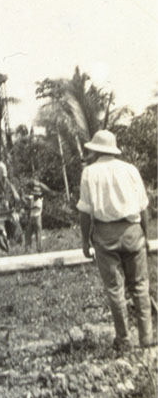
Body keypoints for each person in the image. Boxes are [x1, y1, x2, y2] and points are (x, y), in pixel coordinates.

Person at [77, 129, 154, 350]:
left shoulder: (89, 173)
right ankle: (146, 338)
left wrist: (85, 240)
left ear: (95, 151)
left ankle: (124, 339)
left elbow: (84, 212)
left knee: (114, 289)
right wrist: (145, 237)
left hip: (105, 234)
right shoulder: (130, 170)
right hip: (132, 230)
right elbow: (143, 207)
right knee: (140, 286)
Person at [24, 186, 43, 253]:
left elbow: (32, 208)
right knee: (28, 233)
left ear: (38, 195)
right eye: (35, 194)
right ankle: (28, 248)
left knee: (38, 234)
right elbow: (27, 197)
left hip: (37, 218)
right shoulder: (32, 198)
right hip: (32, 218)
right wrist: (23, 196)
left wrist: (27, 205)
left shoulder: (39, 202)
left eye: (36, 195)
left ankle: (39, 249)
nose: (35, 196)